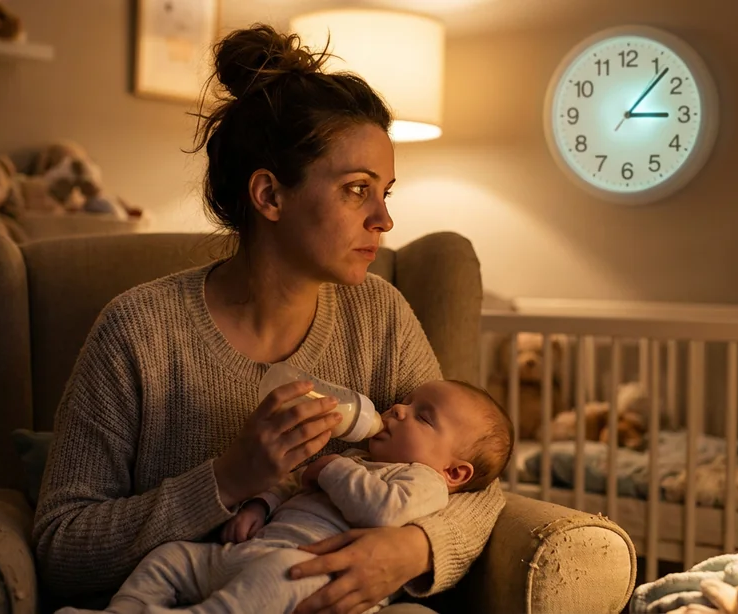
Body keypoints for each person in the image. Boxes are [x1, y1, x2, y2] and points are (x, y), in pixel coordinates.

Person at [32, 23, 506, 614]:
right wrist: (230, 478)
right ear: (270, 196)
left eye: (385, 192)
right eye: (357, 189)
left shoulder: (380, 315)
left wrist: (411, 549)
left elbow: (473, 480)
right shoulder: (139, 331)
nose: (383, 220)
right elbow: (61, 547)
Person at [54, 379, 514, 614]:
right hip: (250, 551)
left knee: (269, 582)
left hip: (309, 576)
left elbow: (383, 511)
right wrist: (260, 503)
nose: (398, 408)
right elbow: (293, 483)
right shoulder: (357, 458)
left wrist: (331, 468)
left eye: (422, 416)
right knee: (170, 557)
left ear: (455, 472)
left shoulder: (423, 481)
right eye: (408, 402)